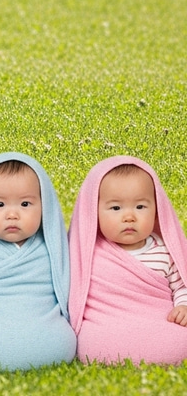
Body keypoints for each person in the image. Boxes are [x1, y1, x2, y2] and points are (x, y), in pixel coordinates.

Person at [0, 152, 76, 369]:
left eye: (25, 204)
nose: (12, 214)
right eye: (0, 204)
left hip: (49, 340)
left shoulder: (51, 246)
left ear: (44, 206)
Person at [69, 155, 187, 365]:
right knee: (96, 342)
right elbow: (76, 291)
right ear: (94, 212)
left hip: (157, 319)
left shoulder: (164, 251)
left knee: (179, 340)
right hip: (108, 322)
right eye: (116, 208)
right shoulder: (88, 252)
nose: (129, 217)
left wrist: (183, 306)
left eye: (140, 207)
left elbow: (181, 286)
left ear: (157, 210)